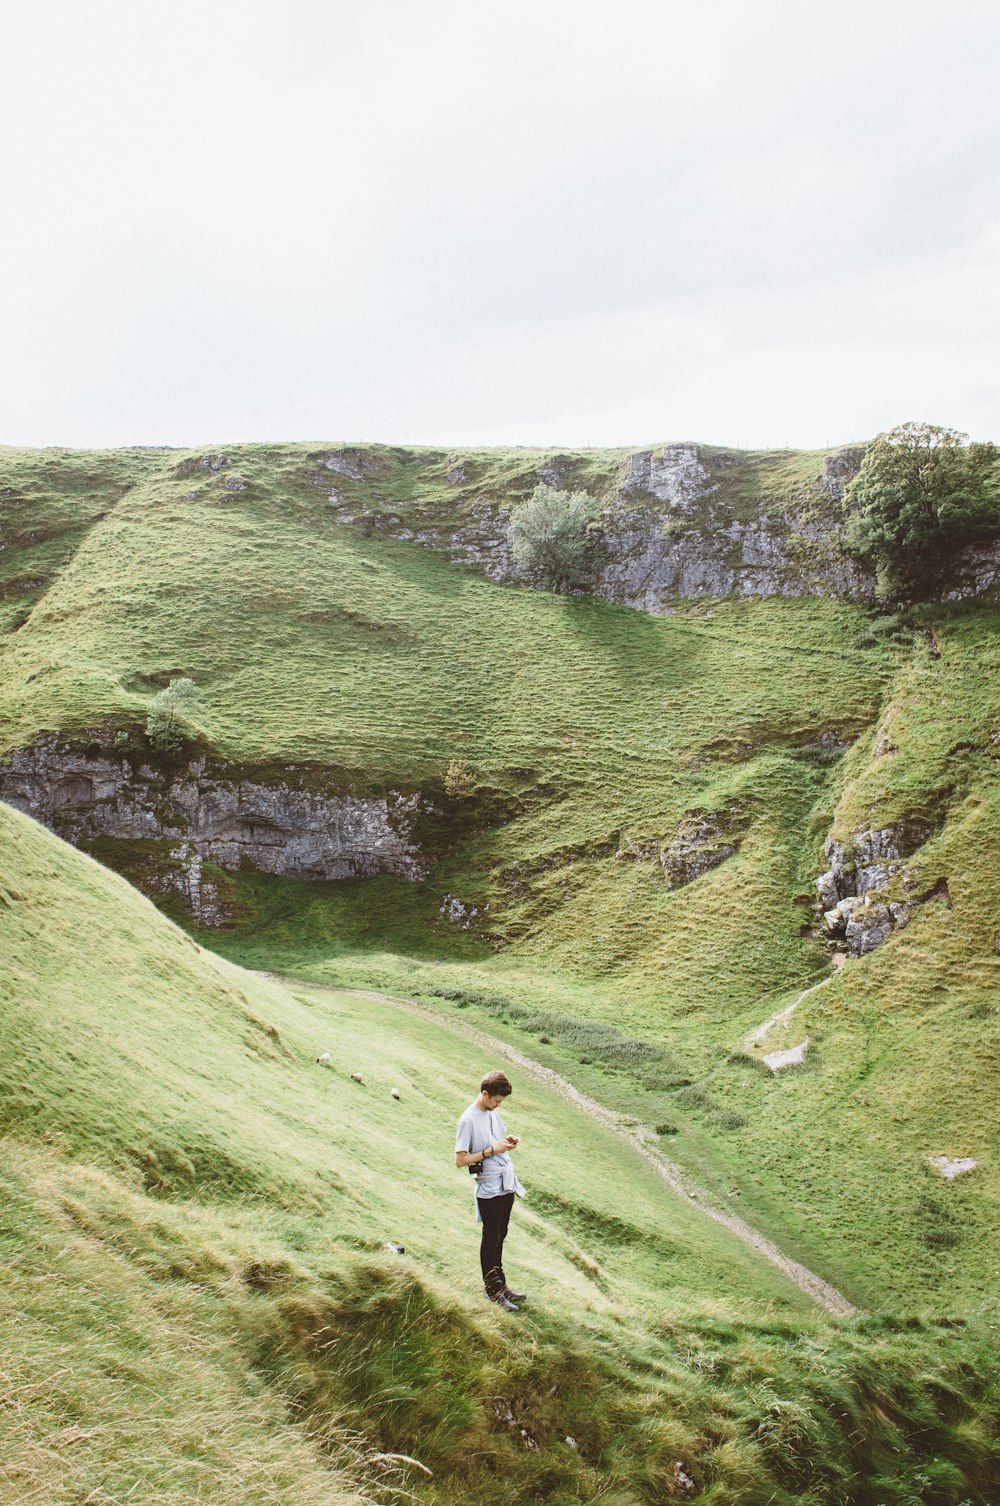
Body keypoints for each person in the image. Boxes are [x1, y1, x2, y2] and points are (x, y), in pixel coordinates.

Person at [454, 1069, 527, 1312]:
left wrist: (506, 1142)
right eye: (496, 1101)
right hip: (488, 1187)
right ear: (485, 1094)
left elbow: (494, 1141)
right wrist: (492, 1151)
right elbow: (461, 1160)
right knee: (490, 1238)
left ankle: (501, 1285)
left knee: (501, 1235)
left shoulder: (491, 1113)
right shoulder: (467, 1120)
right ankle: (492, 1291)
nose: (498, 1106)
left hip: (505, 1183)